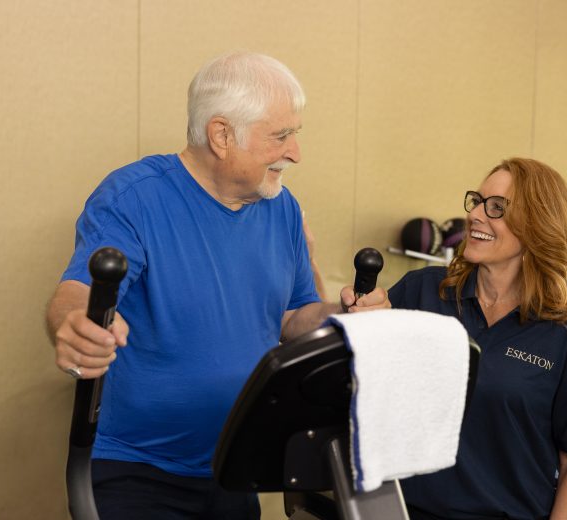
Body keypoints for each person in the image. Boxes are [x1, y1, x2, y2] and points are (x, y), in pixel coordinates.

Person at [45, 51, 388, 519]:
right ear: (222, 135)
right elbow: (79, 293)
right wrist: (72, 325)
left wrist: (345, 316)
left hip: (232, 466)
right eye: (281, 136)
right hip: (139, 472)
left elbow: (292, 317)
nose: (295, 153)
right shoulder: (133, 198)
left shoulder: (281, 207)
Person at [389, 158, 567, 520]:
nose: (476, 214)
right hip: (404, 511)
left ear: (537, 225)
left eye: (496, 208)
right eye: (476, 201)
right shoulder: (423, 291)